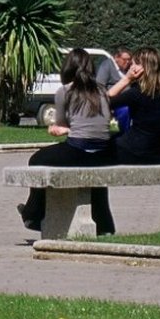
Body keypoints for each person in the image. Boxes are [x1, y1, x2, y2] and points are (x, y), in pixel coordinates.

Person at [18, 48, 117, 235]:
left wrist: (58, 129)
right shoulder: (102, 91)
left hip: (78, 150)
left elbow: (61, 124)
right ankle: (104, 226)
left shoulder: (65, 91)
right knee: (96, 181)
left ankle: (34, 213)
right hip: (104, 152)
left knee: (37, 161)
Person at [116, 48, 160, 164]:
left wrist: (126, 79)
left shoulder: (137, 93)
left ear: (143, 68)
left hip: (132, 151)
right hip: (156, 154)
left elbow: (104, 102)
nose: (130, 68)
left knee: (99, 147)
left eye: (134, 64)